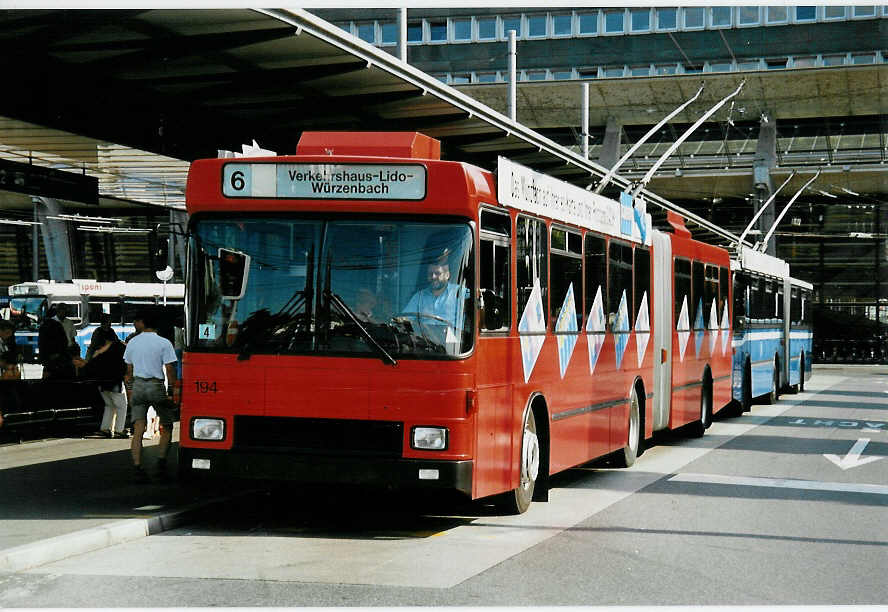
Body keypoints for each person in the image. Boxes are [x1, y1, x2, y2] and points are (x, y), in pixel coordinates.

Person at [123, 311, 179, 482]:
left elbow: (128, 372)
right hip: (156, 386)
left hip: (138, 386)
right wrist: (172, 391)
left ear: (143, 323)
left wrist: (131, 390)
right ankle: (160, 464)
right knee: (167, 426)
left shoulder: (132, 342)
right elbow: (170, 369)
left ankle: (137, 467)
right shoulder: (164, 342)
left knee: (138, 429)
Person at [81, 333, 128, 439]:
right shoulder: (119, 347)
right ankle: (119, 430)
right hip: (115, 381)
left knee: (109, 406)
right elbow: (125, 363)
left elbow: (91, 365)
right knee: (121, 406)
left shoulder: (99, 352)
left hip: (101, 383)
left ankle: (105, 429)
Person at [39, 306, 75, 379]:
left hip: (48, 358)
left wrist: (43, 358)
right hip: (60, 357)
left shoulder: (43, 326)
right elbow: (64, 341)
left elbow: (41, 344)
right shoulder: (58, 325)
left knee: (48, 378)